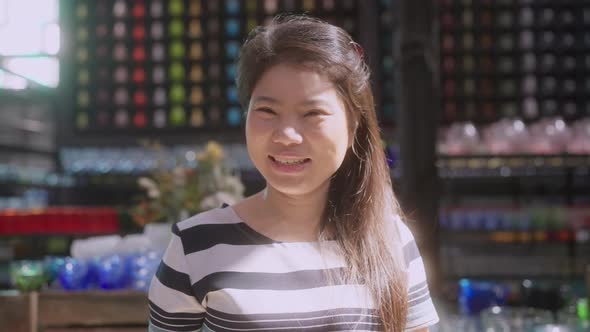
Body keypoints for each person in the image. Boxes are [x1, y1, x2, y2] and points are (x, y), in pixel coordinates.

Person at [148, 15, 439, 332]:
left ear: (354, 124)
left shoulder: (392, 242)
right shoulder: (195, 246)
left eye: (312, 113)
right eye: (267, 111)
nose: (287, 135)